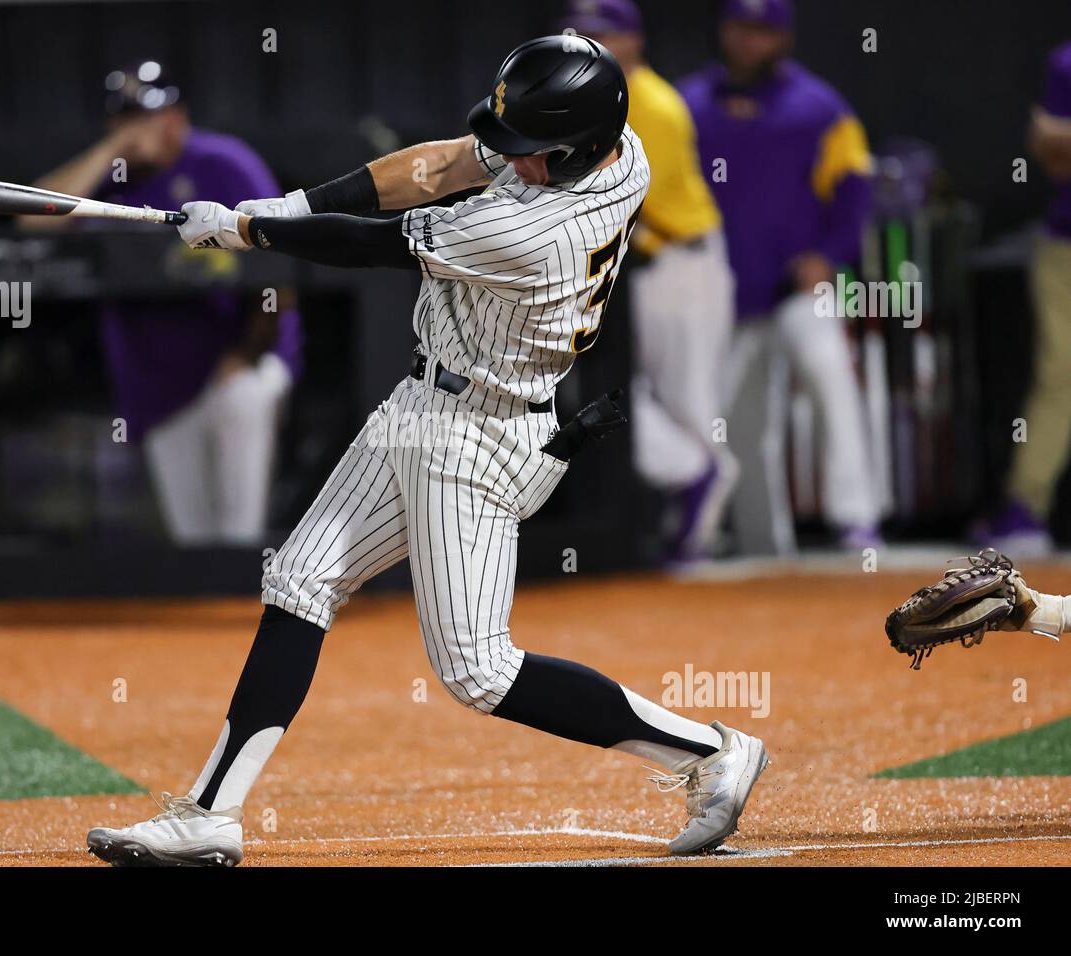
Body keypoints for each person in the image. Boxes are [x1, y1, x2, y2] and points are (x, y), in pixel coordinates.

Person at [86, 35, 768, 867]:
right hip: (429, 402)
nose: (512, 160)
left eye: (530, 152)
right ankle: (210, 814)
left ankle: (709, 753)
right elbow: (440, 166)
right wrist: (285, 207)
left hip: (481, 437)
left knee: (479, 672)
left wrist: (246, 230)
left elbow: (376, 242)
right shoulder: (619, 154)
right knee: (300, 579)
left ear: (575, 147)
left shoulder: (528, 231)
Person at [25, 62, 302, 545]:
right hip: (158, 381)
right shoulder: (111, 182)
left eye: (147, 115)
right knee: (192, 540)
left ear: (177, 116)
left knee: (239, 529)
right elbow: (33, 223)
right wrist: (110, 151)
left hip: (238, 362)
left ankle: (248, 592)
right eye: (125, 118)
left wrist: (247, 352)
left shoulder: (223, 162)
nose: (138, 128)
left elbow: (279, 266)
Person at [680, 0, 881, 554]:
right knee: (738, 423)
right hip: (725, 292)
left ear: (783, 39)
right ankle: (765, 544)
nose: (750, 42)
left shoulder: (819, 108)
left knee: (831, 379)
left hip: (798, 286)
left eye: (763, 32)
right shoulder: (691, 104)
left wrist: (830, 255)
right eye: (741, 29)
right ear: (724, 31)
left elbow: (857, 191)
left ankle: (856, 520)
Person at [564, 0, 737, 561]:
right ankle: (696, 487)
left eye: (605, 35)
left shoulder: (653, 104)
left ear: (634, 41)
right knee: (621, 396)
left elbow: (625, 197)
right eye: (584, 34)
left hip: (682, 264)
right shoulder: (601, 100)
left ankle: (702, 522)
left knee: (688, 401)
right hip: (644, 268)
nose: (593, 44)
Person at [976, 40, 1071, 556]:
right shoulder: (1065, 62)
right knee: (1059, 374)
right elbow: (1053, 153)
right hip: (1065, 241)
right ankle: (1024, 510)